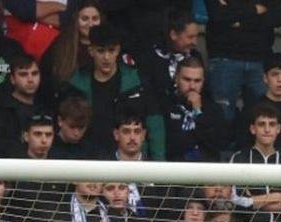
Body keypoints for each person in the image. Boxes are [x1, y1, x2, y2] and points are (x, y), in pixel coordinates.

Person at [65, 24, 165, 161]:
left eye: (111, 51)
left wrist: (159, 162)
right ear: (91, 51)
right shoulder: (76, 85)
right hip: (89, 159)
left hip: (132, 161)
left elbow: (155, 124)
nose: (106, 57)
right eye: (101, 51)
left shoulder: (137, 81)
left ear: (118, 51)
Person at [205, 0, 281, 124]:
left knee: (265, 117)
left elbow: (276, 17)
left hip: (260, 59)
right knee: (221, 117)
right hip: (224, 57)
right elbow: (217, 15)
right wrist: (255, 9)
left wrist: (238, 19)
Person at [38, 0, 101, 109]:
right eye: (85, 19)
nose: (90, 24)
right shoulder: (61, 45)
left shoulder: (110, 45)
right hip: (65, 113)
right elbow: (45, 83)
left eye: (95, 19)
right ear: (75, 20)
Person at [0, 51, 39, 158]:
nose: (30, 79)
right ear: (12, 79)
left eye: (34, 73)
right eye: (23, 74)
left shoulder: (45, 109)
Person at [164, 56, 223, 162]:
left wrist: (198, 112)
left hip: (207, 170)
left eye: (197, 81)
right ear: (176, 78)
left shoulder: (214, 109)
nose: (192, 86)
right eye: (187, 80)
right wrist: (196, 137)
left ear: (203, 81)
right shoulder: (165, 105)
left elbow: (215, 143)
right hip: (173, 169)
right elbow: (171, 145)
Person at [137, 11, 203, 105]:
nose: (195, 42)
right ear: (173, 35)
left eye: (196, 37)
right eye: (190, 37)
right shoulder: (150, 58)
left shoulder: (195, 56)